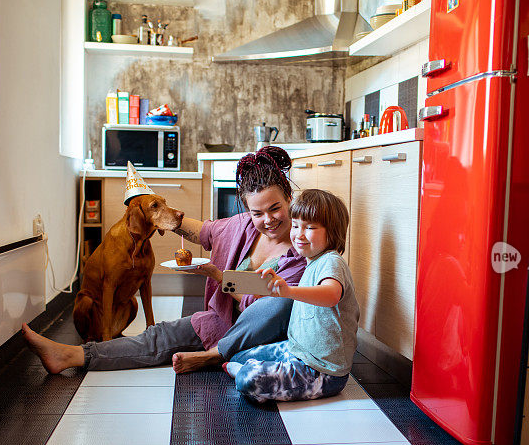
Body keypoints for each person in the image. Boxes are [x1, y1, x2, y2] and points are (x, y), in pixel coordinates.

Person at [22, 146, 306, 375]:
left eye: (275, 208)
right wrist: (168, 218)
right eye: (257, 213)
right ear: (247, 211)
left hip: (264, 340)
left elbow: (265, 300)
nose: (267, 220)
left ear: (289, 198)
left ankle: (212, 356)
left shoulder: (301, 248)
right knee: (158, 336)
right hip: (220, 323)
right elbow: (203, 230)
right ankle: (69, 355)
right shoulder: (243, 226)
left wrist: (217, 275)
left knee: (276, 302)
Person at [221, 189, 360, 402]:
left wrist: (288, 291)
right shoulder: (312, 261)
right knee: (239, 355)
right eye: (295, 226)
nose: (298, 234)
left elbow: (331, 294)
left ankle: (250, 373)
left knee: (247, 380)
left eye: (310, 227)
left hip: (321, 371)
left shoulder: (332, 262)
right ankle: (254, 369)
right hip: (296, 351)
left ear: (332, 232)